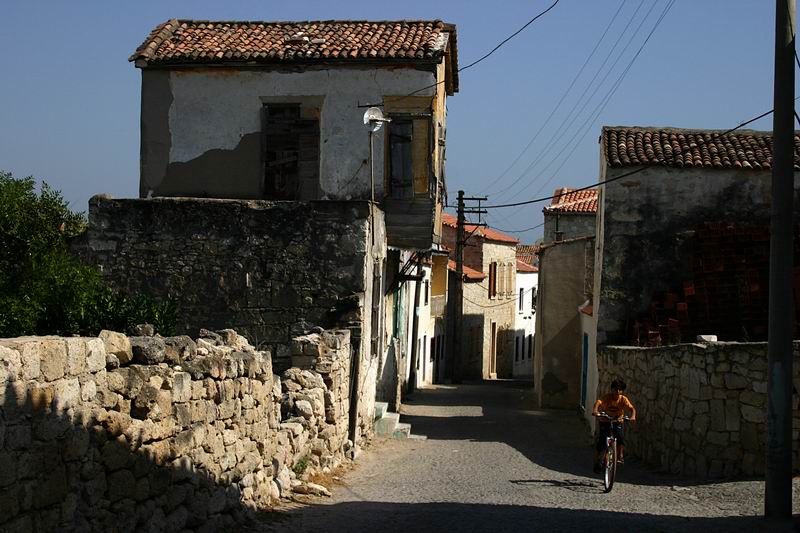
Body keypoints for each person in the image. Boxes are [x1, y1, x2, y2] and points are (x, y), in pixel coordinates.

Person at [592, 379, 636, 473]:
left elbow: (631, 408)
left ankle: (620, 456)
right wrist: (596, 411)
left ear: (622, 391)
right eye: (615, 389)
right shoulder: (607, 397)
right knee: (602, 442)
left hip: (617, 421)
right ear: (611, 389)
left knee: (620, 437)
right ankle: (598, 461)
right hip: (605, 420)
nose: (617, 391)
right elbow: (598, 402)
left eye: (619, 390)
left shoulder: (623, 399)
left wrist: (633, 416)